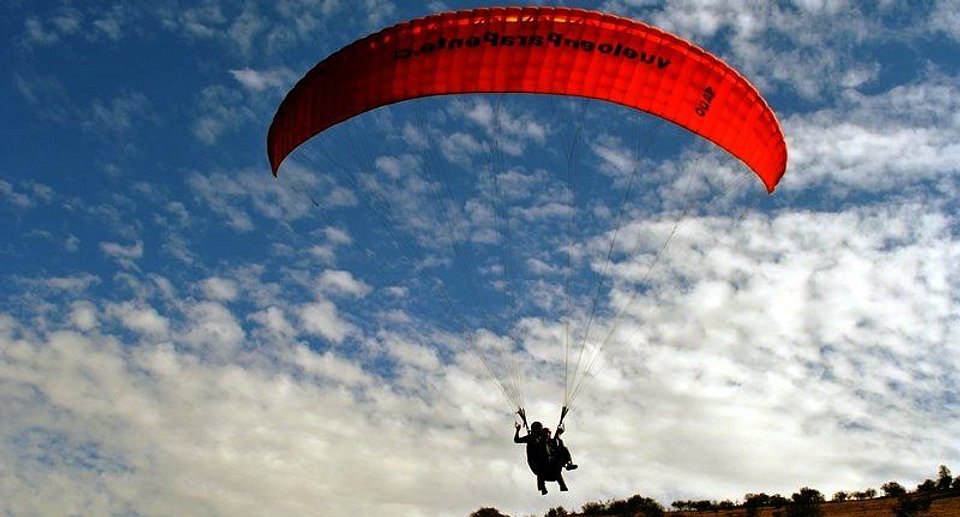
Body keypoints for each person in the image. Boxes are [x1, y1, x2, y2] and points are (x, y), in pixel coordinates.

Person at [514, 421, 576, 494]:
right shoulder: (531, 437)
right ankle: (543, 487)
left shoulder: (546, 439)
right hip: (537, 464)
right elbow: (517, 440)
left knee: (562, 448)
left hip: (551, 467)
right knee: (544, 449)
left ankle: (568, 464)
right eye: (538, 430)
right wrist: (518, 430)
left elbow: (555, 441)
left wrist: (558, 432)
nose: (540, 431)